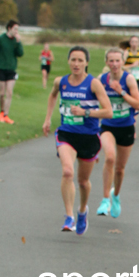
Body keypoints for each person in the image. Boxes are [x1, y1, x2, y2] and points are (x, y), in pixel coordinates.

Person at [42, 46, 113, 235]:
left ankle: (82, 211)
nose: (76, 64)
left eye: (80, 60)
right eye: (73, 60)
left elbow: (109, 111)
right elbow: (52, 95)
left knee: (83, 181)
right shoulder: (61, 82)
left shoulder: (94, 84)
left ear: (87, 63)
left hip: (89, 137)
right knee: (67, 172)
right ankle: (69, 216)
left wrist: (86, 112)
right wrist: (48, 119)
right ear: (68, 61)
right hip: (66, 134)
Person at [96, 48, 139, 219]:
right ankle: (105, 199)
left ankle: (116, 196)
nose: (114, 64)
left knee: (120, 169)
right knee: (109, 158)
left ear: (123, 61)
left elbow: (138, 105)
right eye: (111, 61)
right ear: (106, 62)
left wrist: (120, 92)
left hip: (126, 126)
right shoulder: (101, 80)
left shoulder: (129, 79)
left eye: (117, 60)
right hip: (108, 125)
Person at [0, 19, 24, 124]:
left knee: (9, 93)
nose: (16, 31)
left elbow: (20, 54)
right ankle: (1, 111)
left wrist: (18, 42)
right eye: (15, 29)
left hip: (11, 69)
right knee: (1, 93)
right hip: (1, 68)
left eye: (18, 29)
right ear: (9, 28)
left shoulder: (16, 41)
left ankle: (6, 115)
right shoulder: (0, 39)